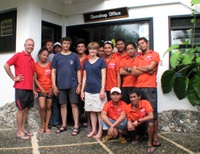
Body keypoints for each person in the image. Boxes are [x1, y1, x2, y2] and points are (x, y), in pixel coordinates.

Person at [4, 38, 37, 140]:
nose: (30, 47)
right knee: (21, 110)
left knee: (26, 110)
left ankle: (23, 129)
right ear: (25, 45)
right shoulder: (18, 55)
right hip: (21, 88)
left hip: (29, 89)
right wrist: (14, 78)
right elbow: (6, 65)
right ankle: (19, 132)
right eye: (29, 45)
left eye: (32, 45)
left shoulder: (32, 60)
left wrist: (34, 89)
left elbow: (32, 76)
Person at [132, 37, 161, 147]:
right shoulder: (137, 57)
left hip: (150, 87)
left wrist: (141, 68)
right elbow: (134, 72)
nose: (141, 45)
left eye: (143, 43)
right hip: (139, 87)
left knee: (152, 113)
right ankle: (143, 133)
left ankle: (155, 136)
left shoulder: (154, 54)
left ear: (147, 43)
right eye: (139, 44)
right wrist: (147, 69)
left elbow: (151, 67)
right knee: (140, 112)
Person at [51, 36, 81, 136]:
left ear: (70, 45)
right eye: (64, 43)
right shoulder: (57, 56)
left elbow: (78, 71)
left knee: (74, 104)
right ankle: (64, 125)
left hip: (73, 84)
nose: (66, 45)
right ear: (61, 44)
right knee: (63, 105)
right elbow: (53, 72)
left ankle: (76, 125)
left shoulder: (74, 56)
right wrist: (54, 85)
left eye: (68, 43)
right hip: (60, 84)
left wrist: (79, 84)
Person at [81, 42, 107, 139]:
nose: (92, 51)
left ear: (97, 50)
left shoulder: (101, 61)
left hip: (98, 90)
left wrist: (102, 89)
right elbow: (84, 77)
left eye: (94, 49)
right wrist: (82, 90)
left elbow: (104, 76)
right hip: (88, 90)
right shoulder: (86, 62)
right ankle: (94, 130)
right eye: (91, 49)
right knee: (91, 111)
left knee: (99, 111)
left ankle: (100, 131)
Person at [126, 88, 155, 153]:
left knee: (151, 123)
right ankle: (138, 136)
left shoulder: (145, 103)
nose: (132, 99)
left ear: (139, 97)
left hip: (144, 124)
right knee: (122, 129)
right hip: (135, 126)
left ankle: (150, 143)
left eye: (134, 97)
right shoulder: (128, 107)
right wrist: (129, 122)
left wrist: (139, 120)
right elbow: (128, 117)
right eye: (131, 97)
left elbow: (151, 116)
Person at [34, 48, 52, 134]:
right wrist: (41, 89)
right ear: (39, 55)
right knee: (42, 107)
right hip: (40, 89)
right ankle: (43, 123)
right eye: (43, 55)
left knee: (48, 107)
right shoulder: (35, 65)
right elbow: (35, 79)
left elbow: (53, 77)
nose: (45, 57)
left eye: (47, 55)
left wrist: (52, 88)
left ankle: (46, 125)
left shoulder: (50, 64)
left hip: (50, 89)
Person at [75, 38, 91, 131]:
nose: (80, 48)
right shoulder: (74, 57)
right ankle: (77, 123)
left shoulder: (89, 58)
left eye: (82, 46)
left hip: (88, 84)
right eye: (79, 47)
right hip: (76, 84)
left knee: (88, 105)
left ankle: (89, 123)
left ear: (85, 48)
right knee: (77, 104)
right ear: (76, 49)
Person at [49, 42, 62, 129]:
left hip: (61, 82)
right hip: (52, 82)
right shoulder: (51, 56)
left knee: (60, 103)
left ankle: (58, 121)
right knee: (52, 103)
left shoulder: (63, 56)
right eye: (56, 48)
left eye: (59, 47)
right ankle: (52, 121)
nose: (57, 49)